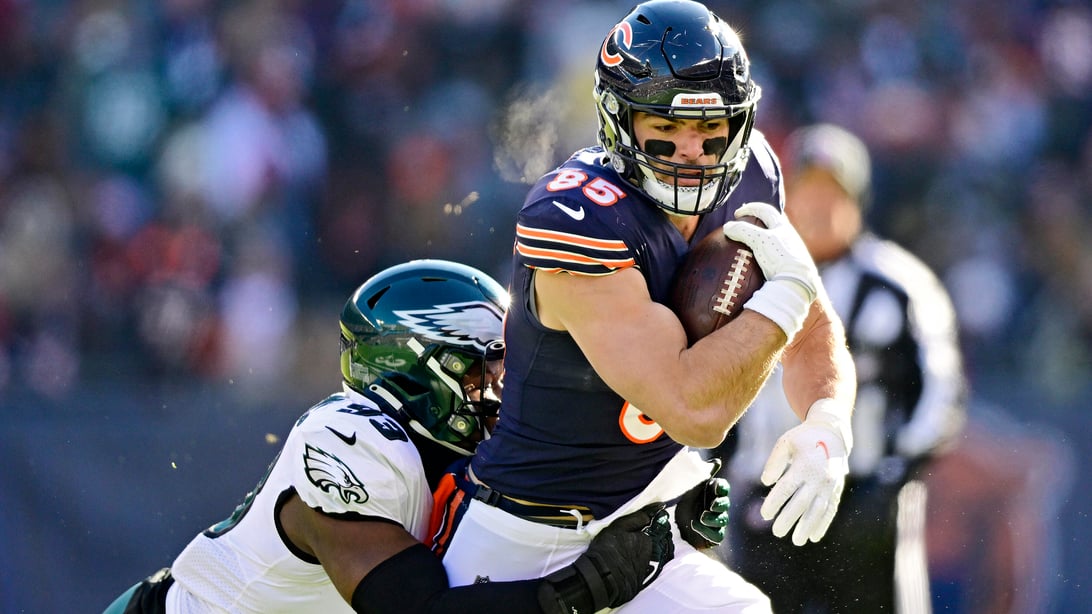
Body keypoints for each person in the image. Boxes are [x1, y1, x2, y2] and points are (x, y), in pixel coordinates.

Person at [432, 2, 857, 612]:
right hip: (525, 537)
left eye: (710, 127)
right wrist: (784, 298)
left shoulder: (754, 172)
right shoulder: (578, 215)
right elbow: (693, 409)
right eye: (665, 126)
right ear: (618, 119)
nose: (690, 149)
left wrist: (828, 425)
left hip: (645, 517)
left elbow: (811, 325)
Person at [102, 259, 680, 614]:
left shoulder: (466, 456)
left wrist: (672, 525)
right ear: (415, 369)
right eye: (486, 367)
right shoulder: (351, 441)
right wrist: (598, 584)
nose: (505, 387)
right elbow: (424, 609)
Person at [718, 123, 967, 613]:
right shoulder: (736, 276)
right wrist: (715, 471)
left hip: (863, 499)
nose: (819, 207)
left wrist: (894, 475)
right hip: (762, 497)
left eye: (834, 194)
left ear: (860, 202)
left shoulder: (901, 285)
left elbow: (942, 394)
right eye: (808, 190)